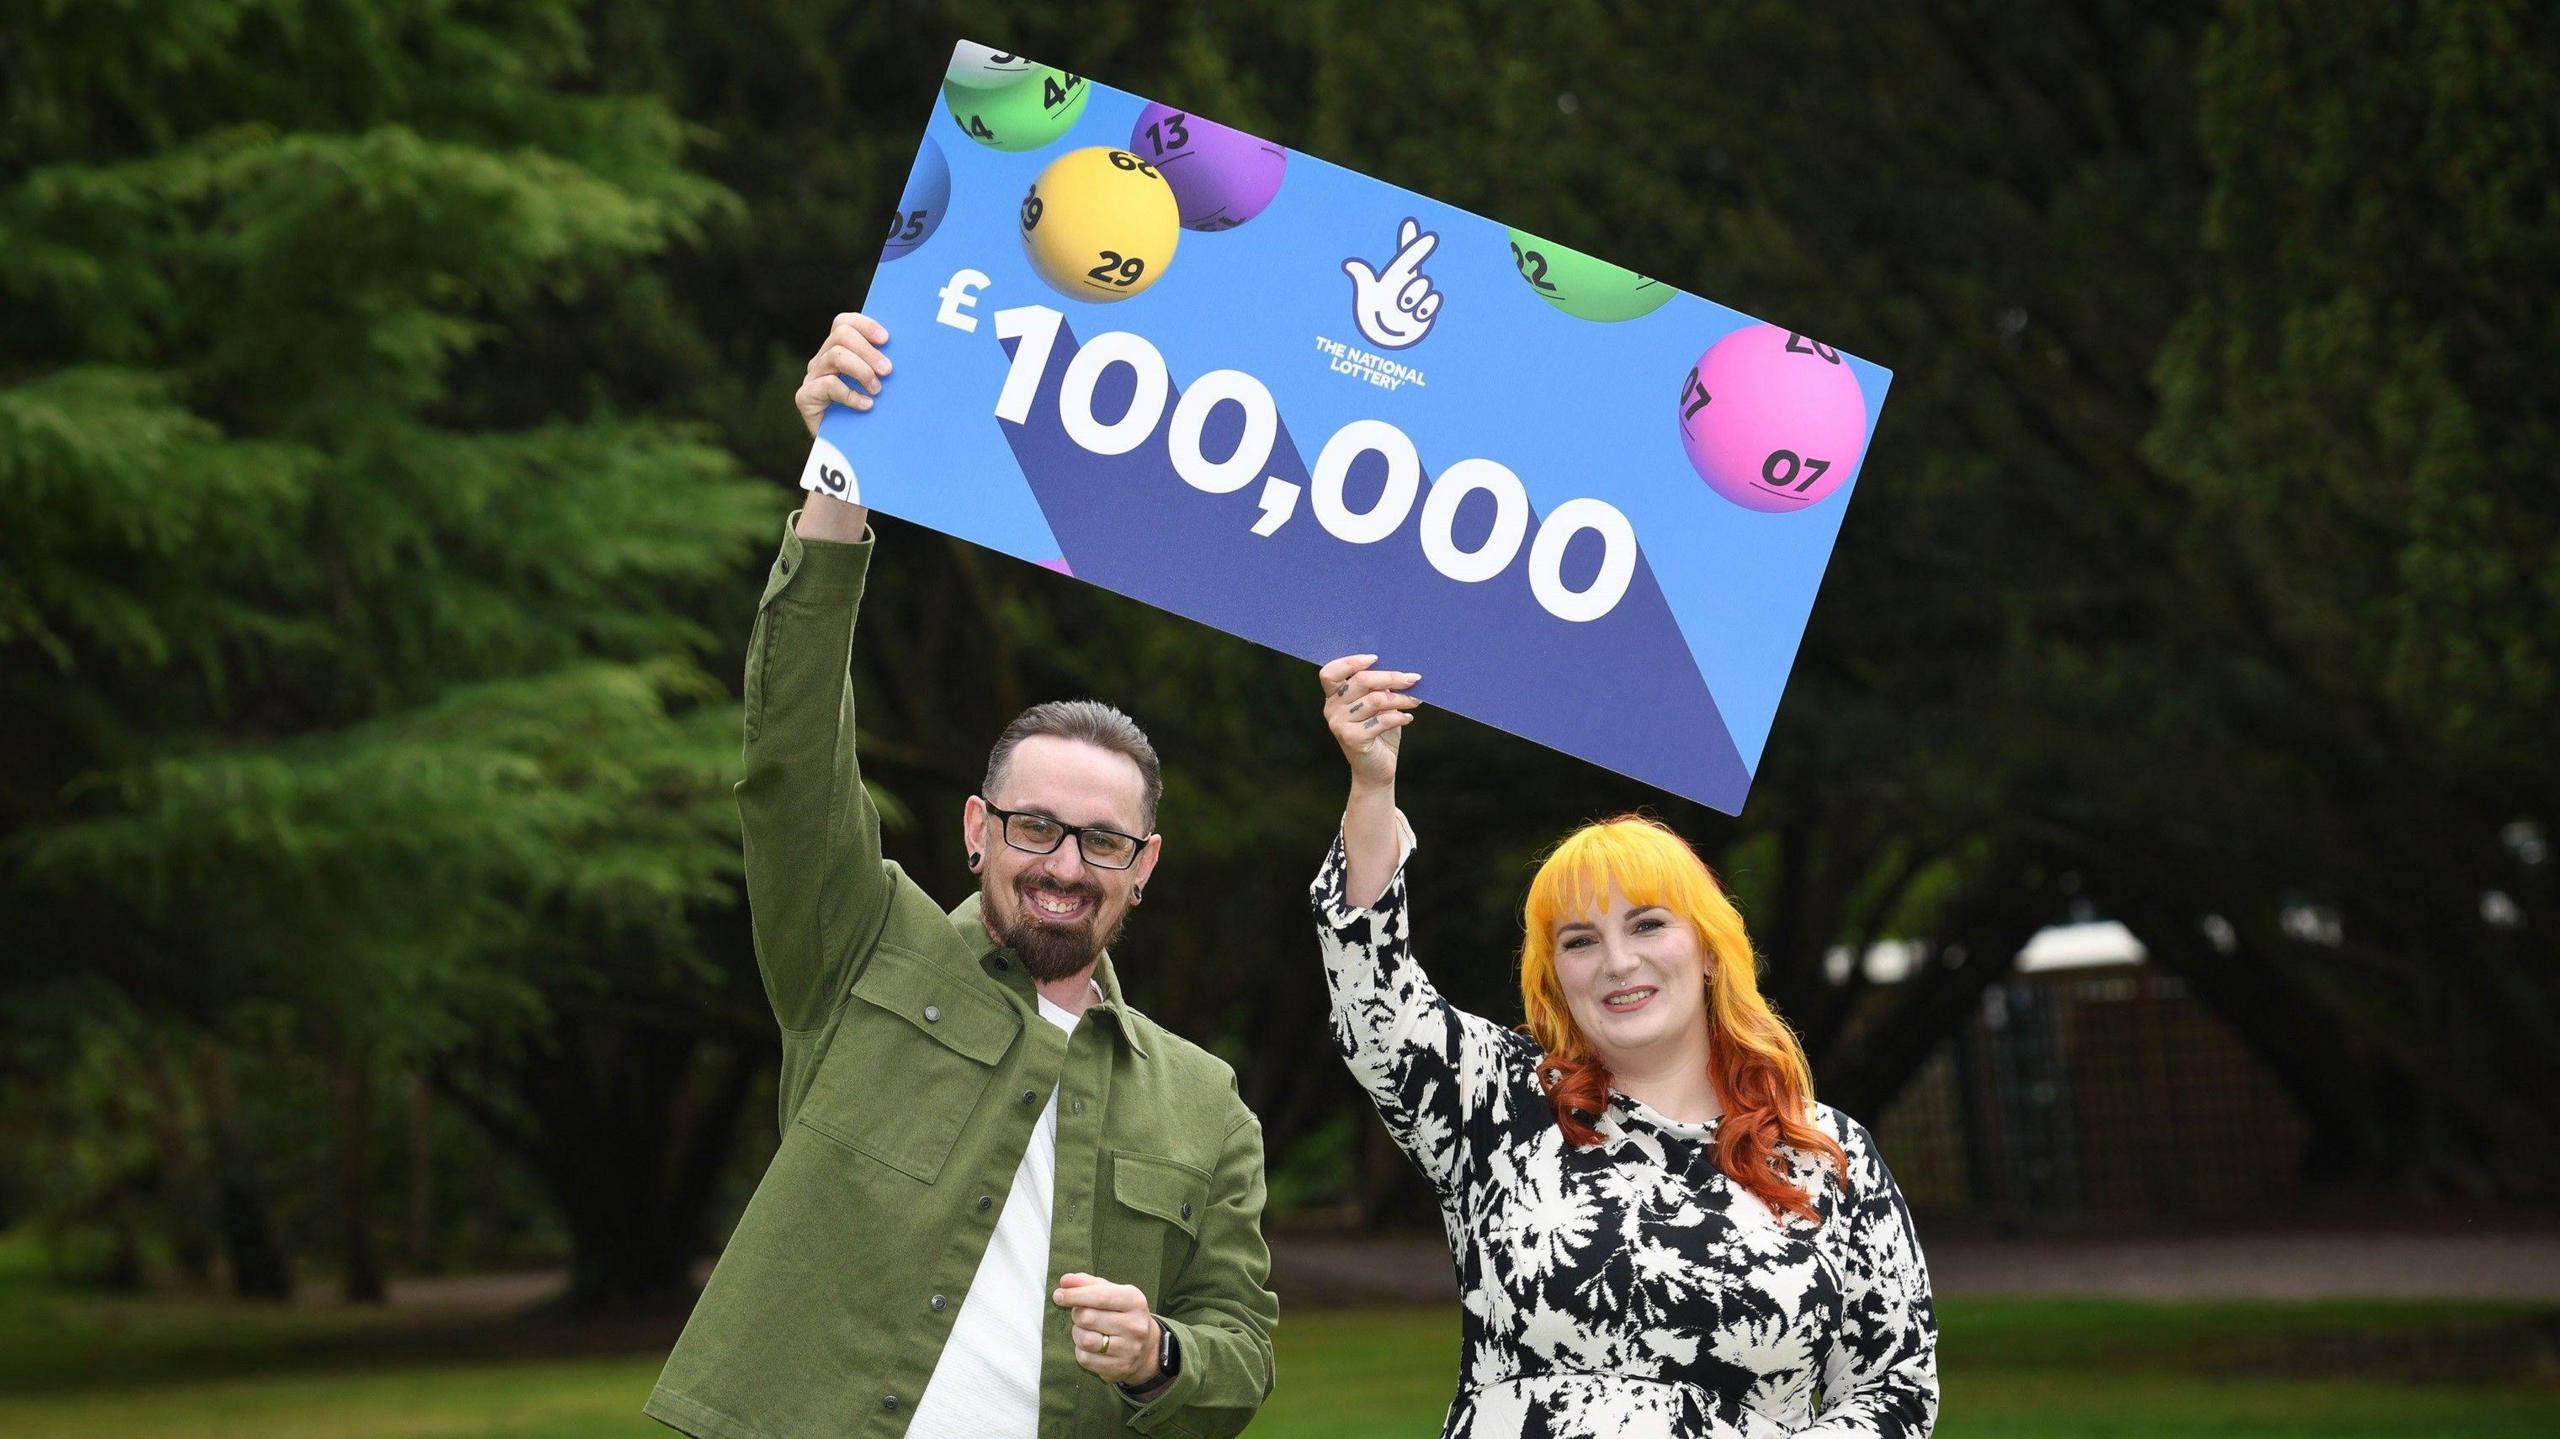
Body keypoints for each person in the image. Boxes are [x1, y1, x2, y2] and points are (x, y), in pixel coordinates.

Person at [646, 314, 1278, 1439]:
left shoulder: (1204, 1103)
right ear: (977, 829)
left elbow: (1240, 1346)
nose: (1065, 866)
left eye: (1103, 841)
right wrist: (841, 479)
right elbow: (790, 762)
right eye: (1035, 826)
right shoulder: (862, 945)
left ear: (1146, 868)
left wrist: (1158, 1352)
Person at [1309, 655, 1937, 1439]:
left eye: (1647, 924)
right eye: (1581, 939)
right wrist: (1372, 786)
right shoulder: (1500, 1104)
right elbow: (1375, 1001)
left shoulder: (1828, 1153)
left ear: (1709, 948)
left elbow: (1897, 1387)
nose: (1618, 962)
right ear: (1555, 976)